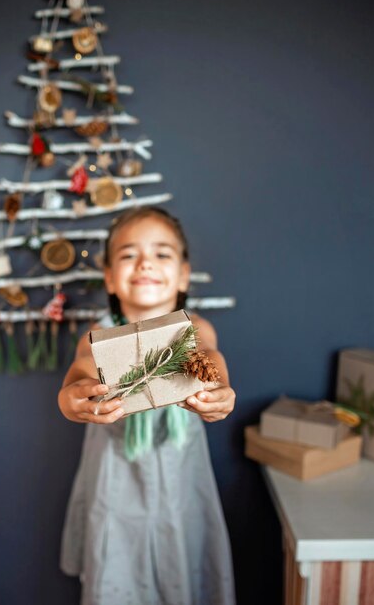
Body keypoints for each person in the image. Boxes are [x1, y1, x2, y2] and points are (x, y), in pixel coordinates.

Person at [58, 206, 236, 605]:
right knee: (116, 559)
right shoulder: (99, 336)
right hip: (115, 474)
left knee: (182, 554)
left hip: (180, 474)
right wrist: (70, 396)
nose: (145, 264)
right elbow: (81, 369)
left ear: (183, 274)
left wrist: (219, 388)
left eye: (161, 253)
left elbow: (208, 355)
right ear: (109, 277)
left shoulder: (194, 328)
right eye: (127, 255)